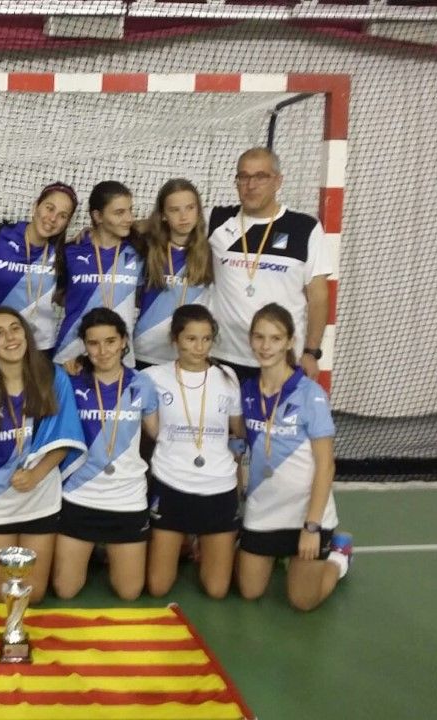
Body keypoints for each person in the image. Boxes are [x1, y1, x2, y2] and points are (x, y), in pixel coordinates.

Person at [0, 307, 86, 604]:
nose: (10, 337)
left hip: (39, 496)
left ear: (27, 335)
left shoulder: (53, 377)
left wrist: (35, 474)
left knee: (34, 595)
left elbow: (65, 438)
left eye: (15, 329)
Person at [237, 303, 351, 611]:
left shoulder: (310, 394)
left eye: (275, 338)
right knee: (249, 591)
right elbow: (240, 440)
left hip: (306, 513)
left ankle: (339, 558)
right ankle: (287, 559)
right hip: (263, 509)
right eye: (259, 337)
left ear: (290, 342)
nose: (265, 346)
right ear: (250, 340)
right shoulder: (247, 390)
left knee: (302, 601)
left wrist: (312, 526)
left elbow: (326, 465)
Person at [55, 308, 159, 601]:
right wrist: (61, 369)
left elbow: (157, 434)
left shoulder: (142, 383)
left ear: (124, 341)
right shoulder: (70, 382)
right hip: (79, 494)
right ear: (84, 346)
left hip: (127, 496)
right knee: (65, 590)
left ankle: (106, 555)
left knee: (129, 593)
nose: (103, 351)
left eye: (110, 341)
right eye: (94, 343)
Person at [206, 147, 333, 385]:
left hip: (280, 360)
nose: (251, 185)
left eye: (261, 177)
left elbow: (318, 296)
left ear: (278, 181)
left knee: (274, 423)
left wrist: (311, 352)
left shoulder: (304, 228)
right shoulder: (216, 221)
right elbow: (167, 221)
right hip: (223, 358)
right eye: (243, 177)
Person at [142, 305, 244, 600]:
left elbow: (237, 432)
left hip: (219, 486)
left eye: (206, 339)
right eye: (190, 339)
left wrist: (240, 478)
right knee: (158, 587)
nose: (199, 347)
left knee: (216, 590)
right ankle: (185, 543)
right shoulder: (152, 378)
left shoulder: (227, 377)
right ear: (175, 339)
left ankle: (216, 546)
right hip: (171, 484)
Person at [0, 182, 78, 359]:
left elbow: (63, 298)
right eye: (49, 208)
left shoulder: (63, 254)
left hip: (40, 348)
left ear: (66, 223)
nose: (53, 218)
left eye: (62, 216)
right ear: (35, 207)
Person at [54, 181, 142, 365]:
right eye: (119, 212)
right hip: (72, 353)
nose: (129, 218)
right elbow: (57, 296)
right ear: (98, 216)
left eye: (130, 210)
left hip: (119, 357)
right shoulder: (71, 251)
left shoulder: (139, 251)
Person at [133, 179, 214, 369]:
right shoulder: (146, 248)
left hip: (191, 354)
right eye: (174, 210)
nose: (184, 216)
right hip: (147, 351)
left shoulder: (213, 249)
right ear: (162, 215)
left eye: (190, 208)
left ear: (199, 211)